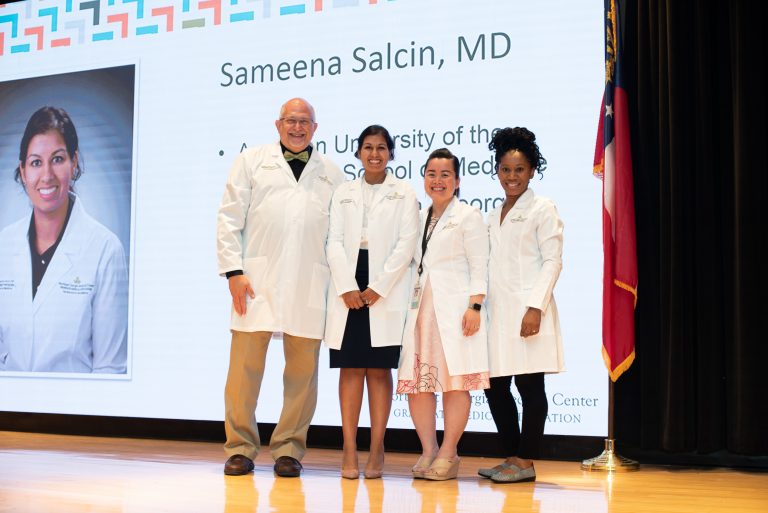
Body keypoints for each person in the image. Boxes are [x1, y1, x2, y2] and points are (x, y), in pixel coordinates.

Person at [217, 98, 344, 477]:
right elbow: (229, 218)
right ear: (278, 124)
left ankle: (289, 448)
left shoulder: (331, 174)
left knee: (303, 374)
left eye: (305, 121)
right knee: (243, 369)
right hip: (256, 280)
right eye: (291, 120)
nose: (297, 127)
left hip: (309, 283)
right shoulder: (251, 161)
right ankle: (240, 447)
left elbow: (339, 235)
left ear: (315, 128)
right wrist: (233, 271)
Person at [0, 106, 128, 373]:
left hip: (73, 414)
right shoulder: (4, 244)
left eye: (57, 159)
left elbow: (109, 369)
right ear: (23, 171)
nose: (46, 175)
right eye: (36, 162)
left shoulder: (105, 249)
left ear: (74, 162)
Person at [325, 125, 419, 479]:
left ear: (391, 153)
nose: (375, 154)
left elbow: (407, 244)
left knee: (379, 370)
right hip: (348, 283)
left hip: (386, 286)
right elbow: (332, 241)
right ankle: (349, 447)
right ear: (359, 153)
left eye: (382, 148)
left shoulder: (404, 192)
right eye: (368, 147)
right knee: (350, 368)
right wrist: (347, 285)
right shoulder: (343, 192)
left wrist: (379, 286)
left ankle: (377, 447)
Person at [397, 148, 490, 481]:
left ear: (457, 181)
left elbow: (481, 264)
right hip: (421, 312)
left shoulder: (468, 216)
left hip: (455, 313)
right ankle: (429, 450)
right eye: (432, 174)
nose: (438, 181)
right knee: (420, 384)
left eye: (445, 175)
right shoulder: (419, 217)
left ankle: (449, 453)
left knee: (454, 384)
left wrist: (475, 305)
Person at [479, 127, 565, 483]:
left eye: (519, 169)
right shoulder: (492, 214)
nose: (511, 177)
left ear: (532, 171)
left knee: (530, 389)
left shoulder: (542, 209)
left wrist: (535, 308)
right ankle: (511, 456)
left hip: (529, 314)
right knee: (495, 388)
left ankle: (526, 461)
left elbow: (552, 261)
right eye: (505, 169)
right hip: (497, 316)